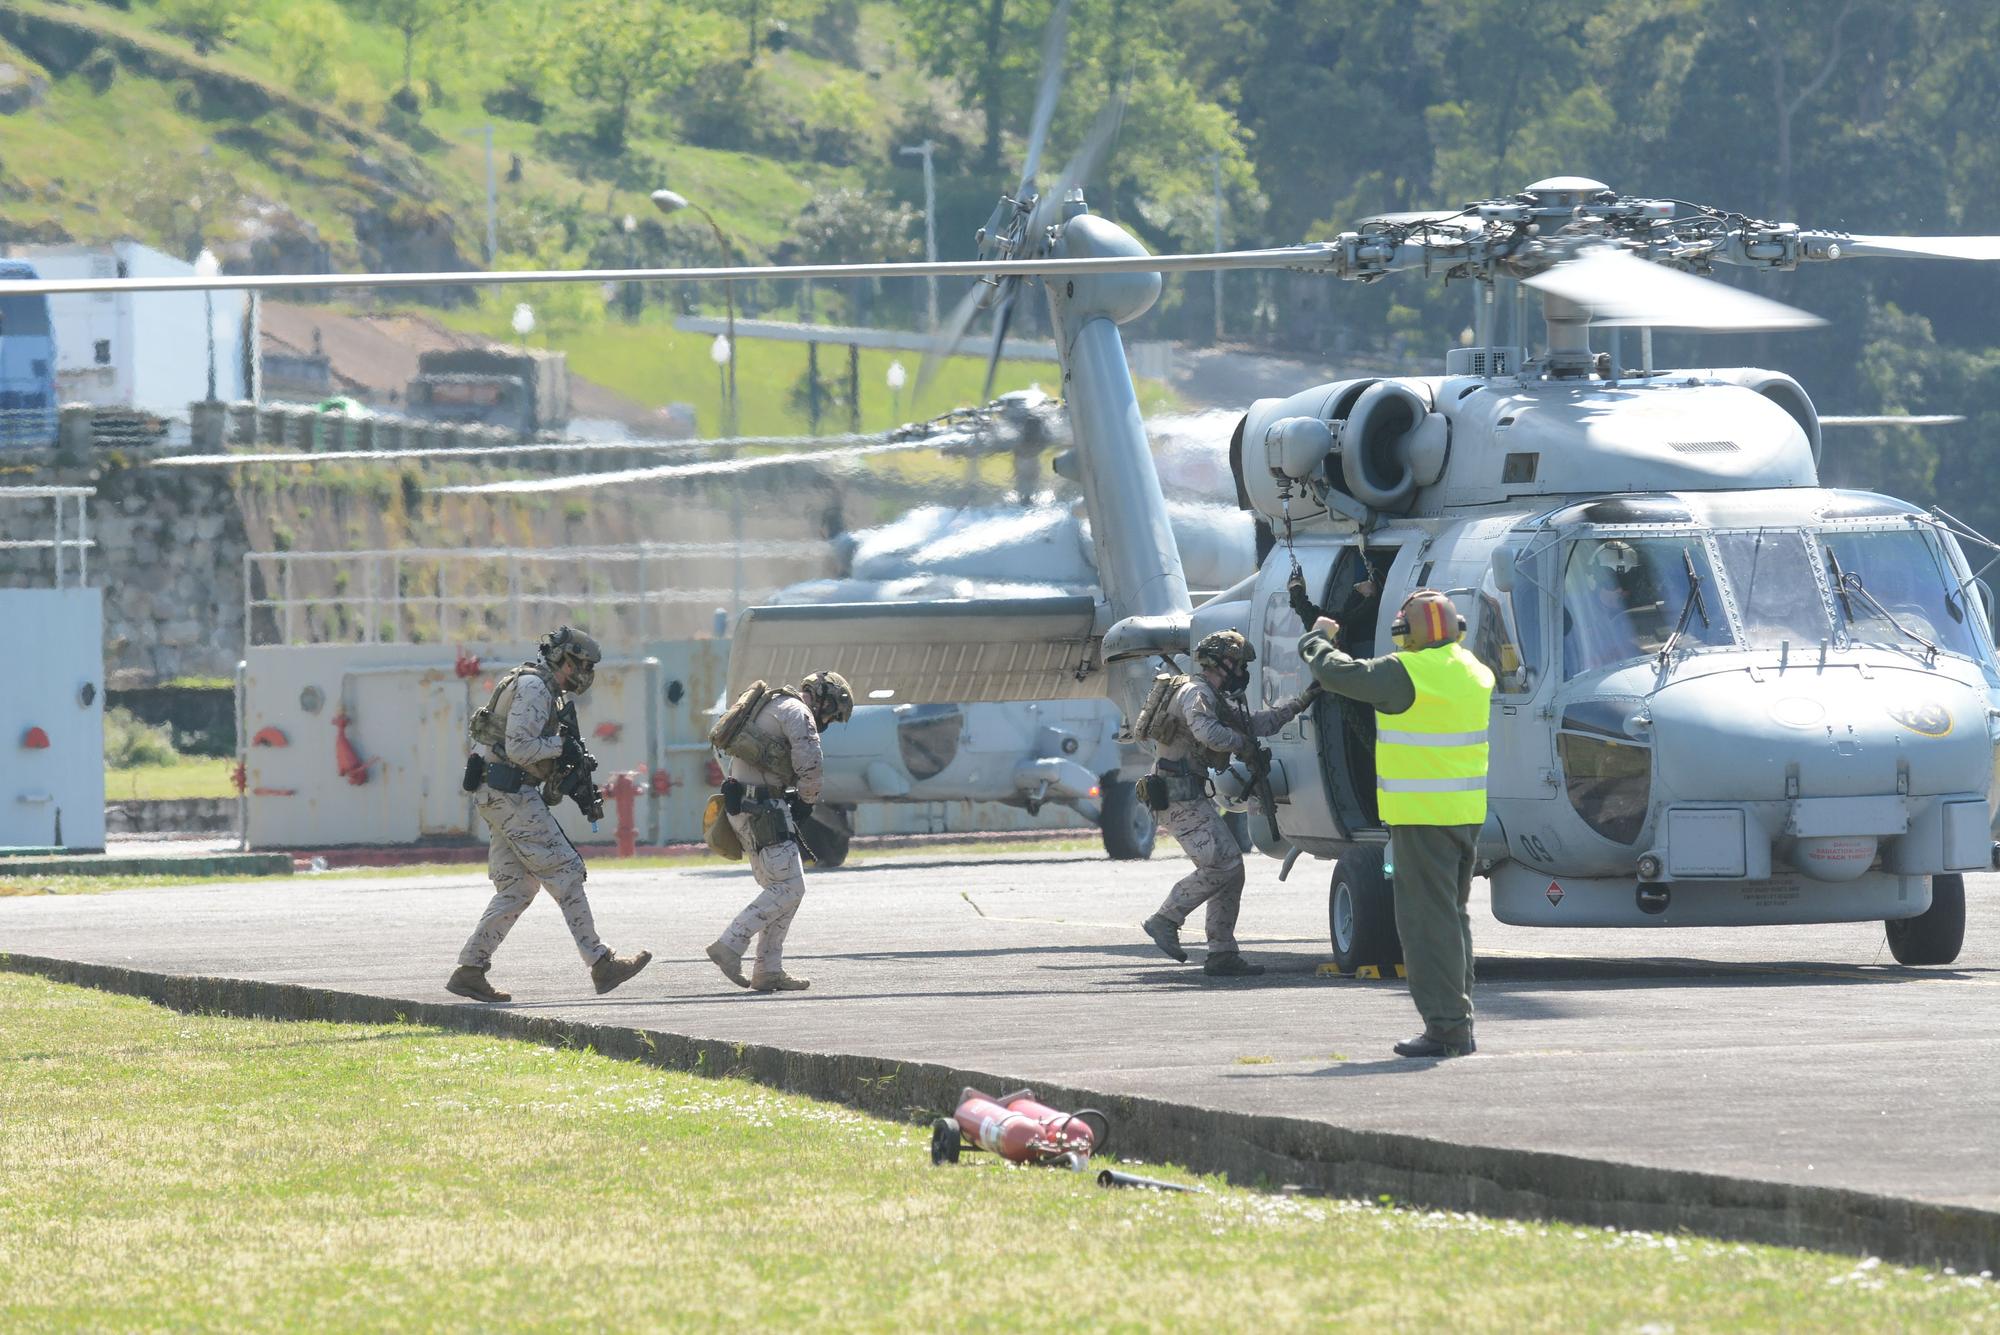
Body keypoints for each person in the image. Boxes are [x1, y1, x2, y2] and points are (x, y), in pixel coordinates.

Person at [1299, 589, 1495, 1058]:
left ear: (1410, 634)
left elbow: (1335, 674)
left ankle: (1447, 1028)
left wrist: (1317, 638)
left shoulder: (1408, 672)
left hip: (1422, 819)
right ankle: (1457, 1020)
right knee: (1451, 919)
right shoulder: (1473, 671)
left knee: (1426, 924)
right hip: (1463, 816)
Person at [446, 626, 652, 1003]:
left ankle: (470, 970)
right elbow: (522, 748)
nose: (586, 673)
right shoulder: (535, 688)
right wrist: (562, 747)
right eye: (584, 664)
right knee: (567, 870)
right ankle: (601, 963)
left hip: (500, 792)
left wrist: (564, 763)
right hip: (508, 792)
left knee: (517, 887)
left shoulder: (538, 687)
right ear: (566, 660)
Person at [1138, 630, 1316, 976]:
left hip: (1187, 795)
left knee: (1232, 870)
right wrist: (1241, 746)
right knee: (1224, 865)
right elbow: (1208, 734)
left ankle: (1221, 953)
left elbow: (1255, 724)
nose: (1241, 670)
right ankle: (1165, 919)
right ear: (1221, 663)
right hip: (1177, 797)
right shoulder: (1196, 693)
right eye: (1236, 663)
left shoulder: (1213, 696)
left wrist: (1301, 702)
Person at [707, 669, 854, 993]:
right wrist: (806, 803)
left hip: (745, 807)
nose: (827, 720)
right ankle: (730, 944)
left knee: (784, 889)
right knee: (789, 889)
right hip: (765, 811)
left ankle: (768, 969)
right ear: (824, 699)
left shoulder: (770, 705)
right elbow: (810, 764)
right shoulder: (799, 714)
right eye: (831, 712)